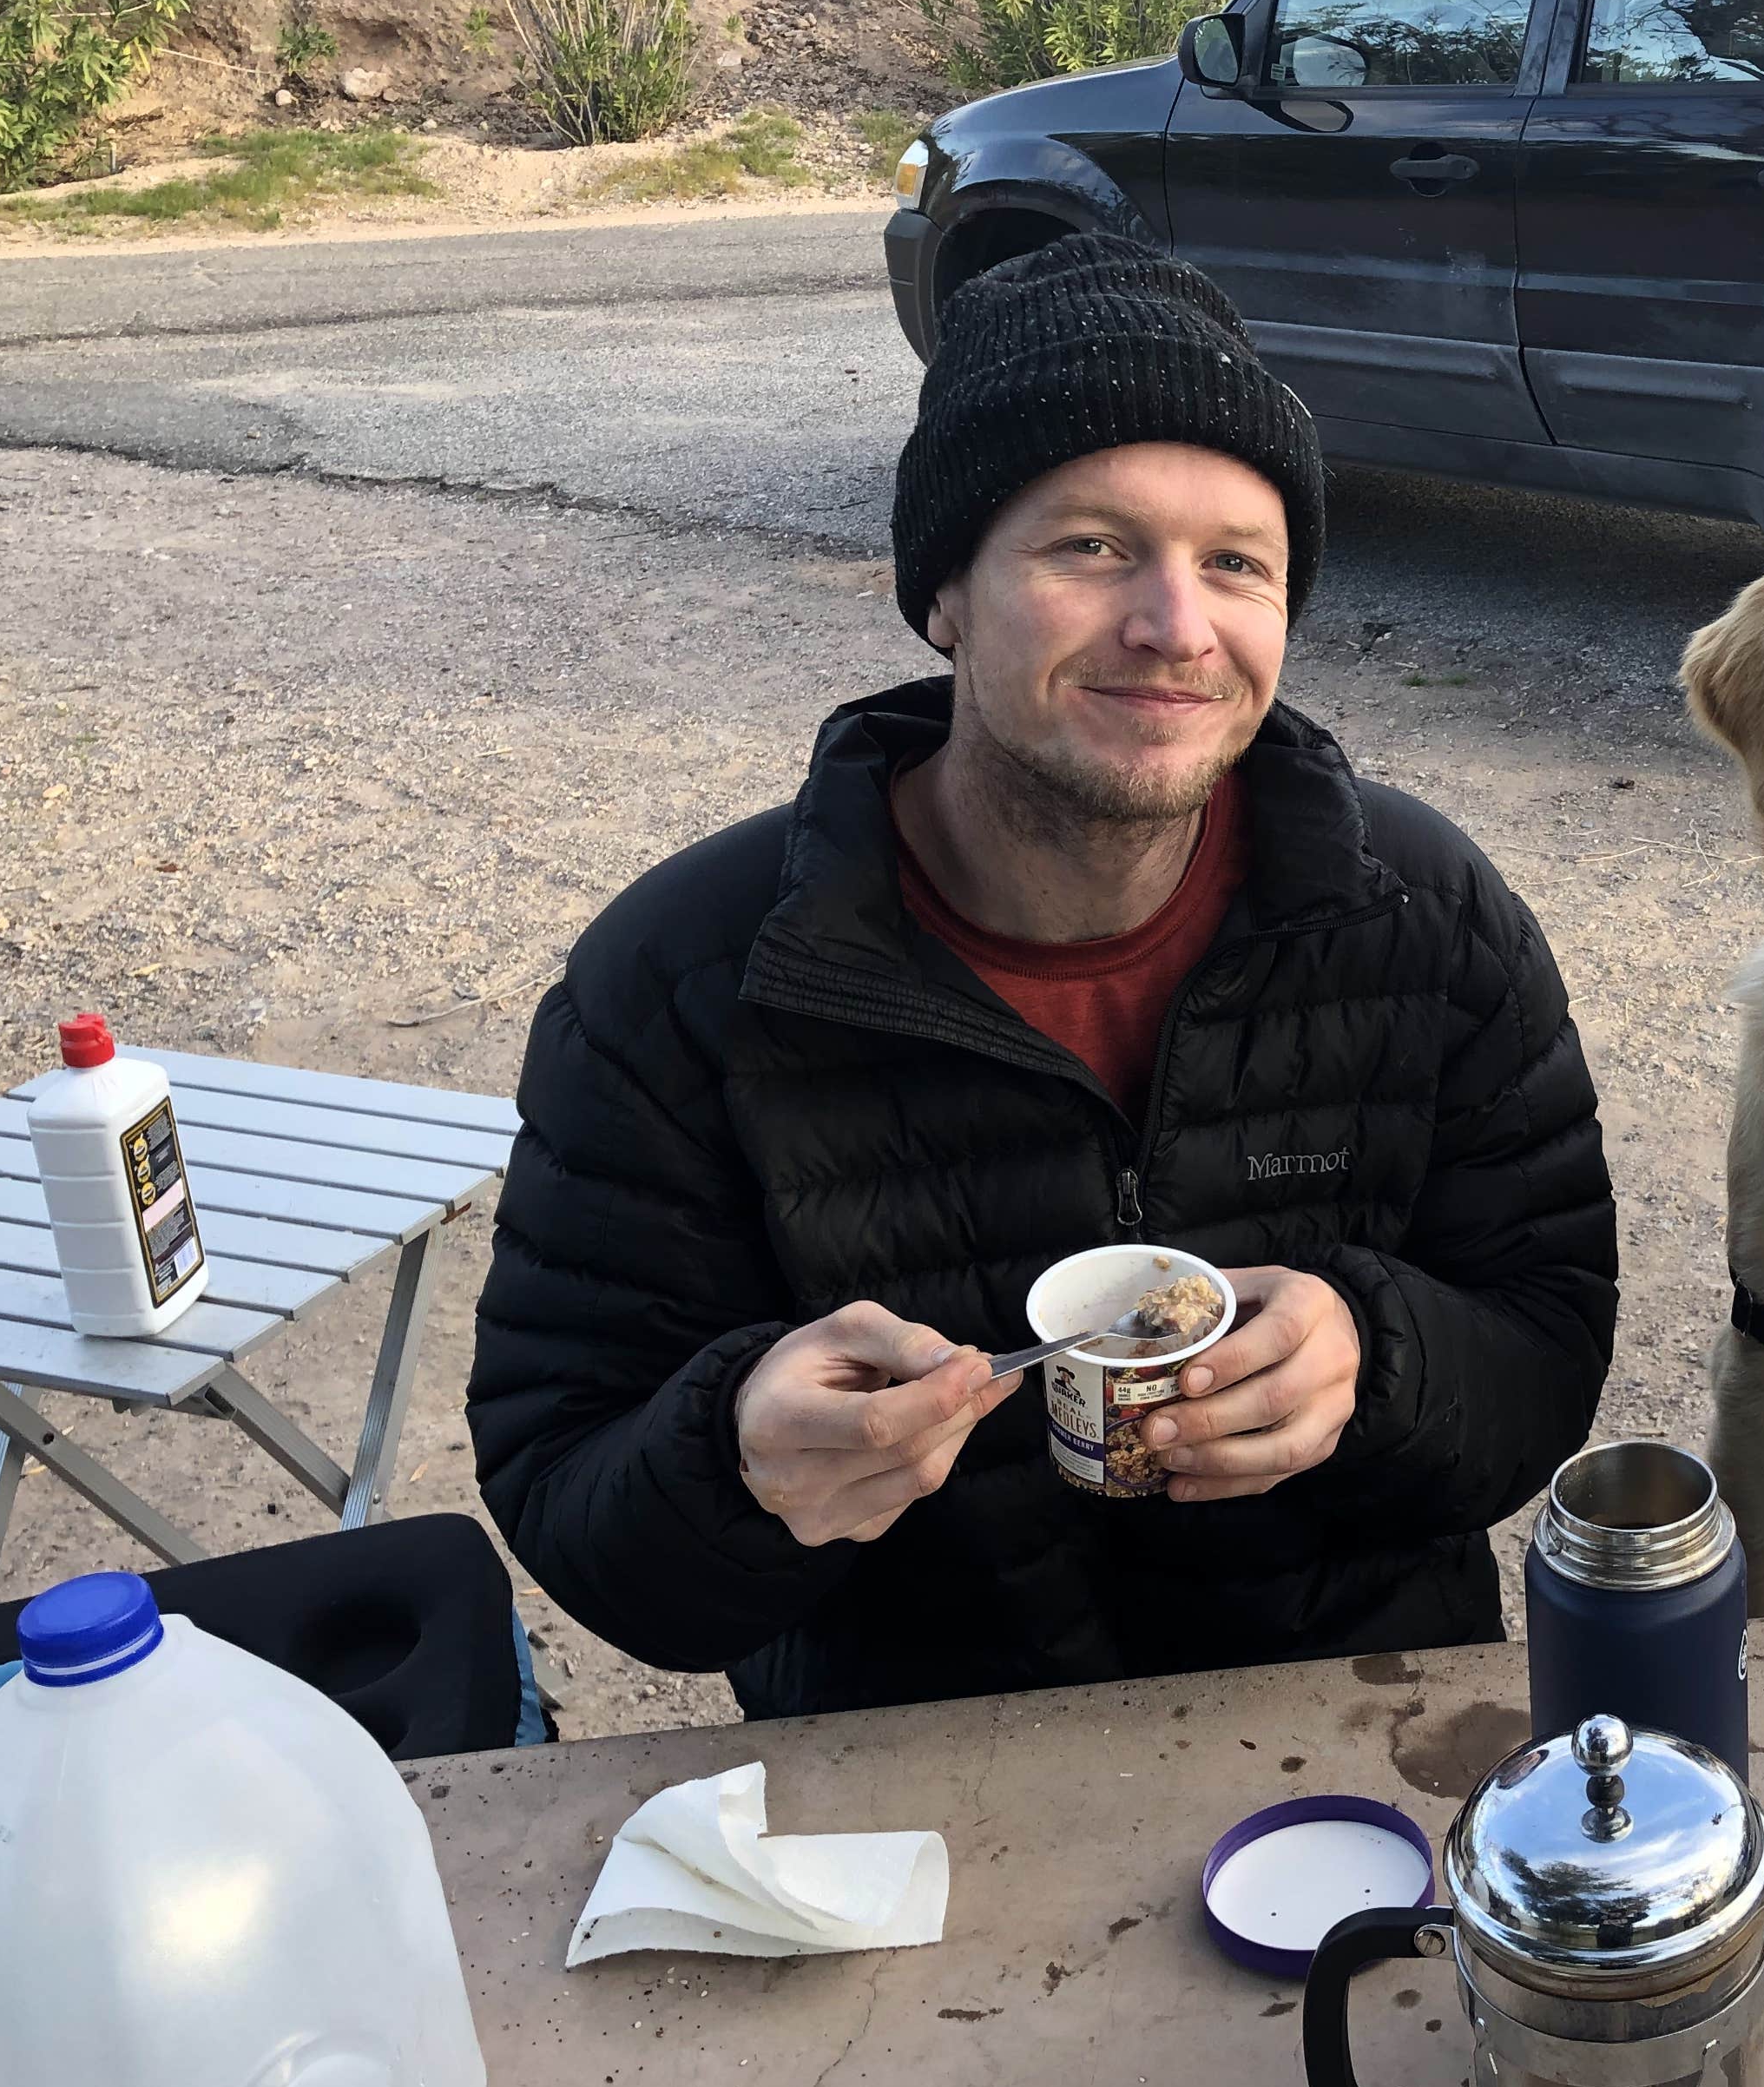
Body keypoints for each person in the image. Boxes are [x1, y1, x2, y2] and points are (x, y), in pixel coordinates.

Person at [466, 235, 1618, 1720]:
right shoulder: (687, 978)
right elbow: (567, 1474)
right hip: (908, 1769)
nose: (1174, 626)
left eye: (1237, 565)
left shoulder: (1423, 918)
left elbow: (1546, 1339)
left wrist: (1374, 1357)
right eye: (1090, 546)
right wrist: (741, 1459)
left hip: (1354, 1726)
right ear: (944, 591)